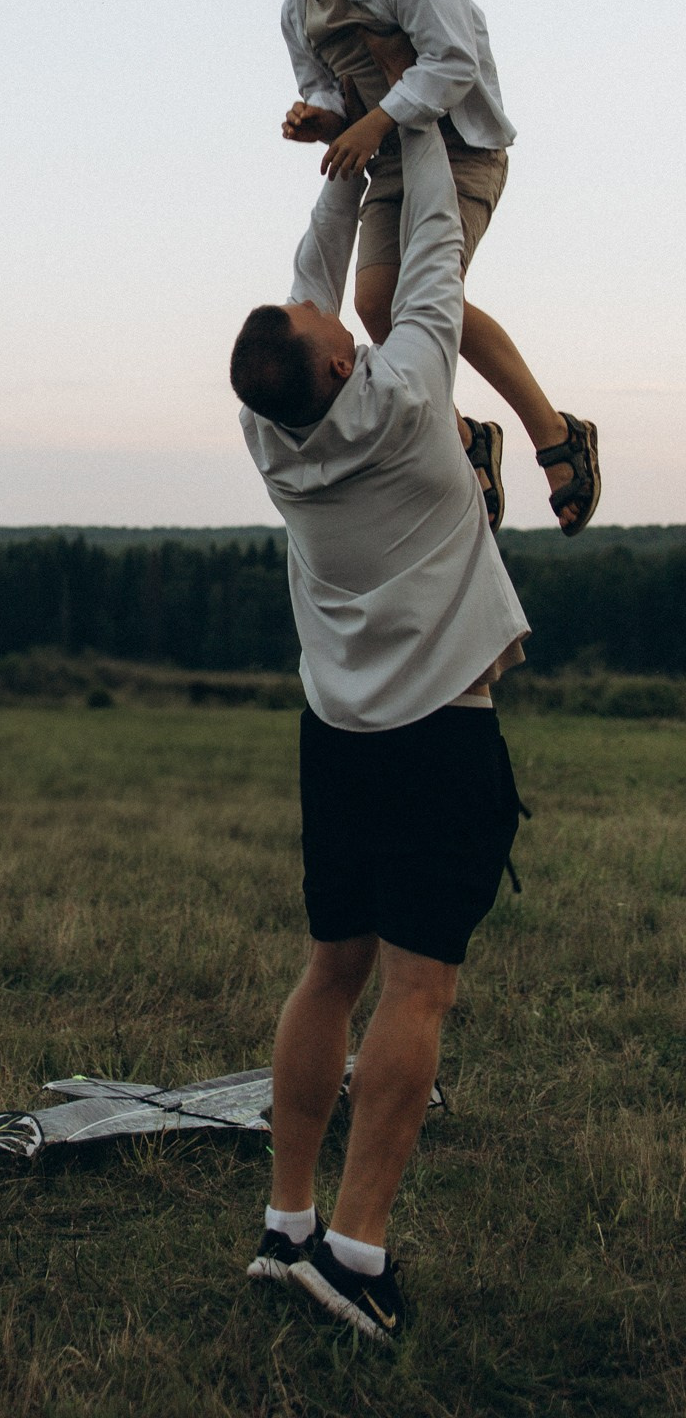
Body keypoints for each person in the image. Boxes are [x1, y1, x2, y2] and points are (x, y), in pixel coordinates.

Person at [229, 115, 530, 1342]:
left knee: (328, 970)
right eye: (337, 337)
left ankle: (285, 1223)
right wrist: (404, 126)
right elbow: (438, 253)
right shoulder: (404, 401)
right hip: (440, 738)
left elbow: (308, 285)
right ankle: (354, 1255)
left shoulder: (270, 428)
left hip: (336, 736)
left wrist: (341, 165)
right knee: (417, 991)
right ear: (346, 370)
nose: (341, 322)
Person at [268, 0, 600, 536]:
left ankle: (557, 433)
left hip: (461, 150)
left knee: (433, 295)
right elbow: (329, 89)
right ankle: (467, 439)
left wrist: (372, 122)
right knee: (377, 306)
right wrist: (321, 121)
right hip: (384, 153)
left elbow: (452, 66)